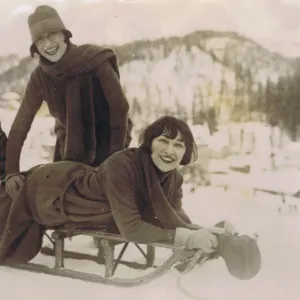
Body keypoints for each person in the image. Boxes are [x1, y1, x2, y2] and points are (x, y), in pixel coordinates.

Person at [0, 116, 260, 279]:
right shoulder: (123, 166)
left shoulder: (174, 178)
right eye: (164, 141)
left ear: (186, 153)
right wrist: (190, 237)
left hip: (75, 189)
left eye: (179, 145)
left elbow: (174, 219)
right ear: (149, 144)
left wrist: (213, 232)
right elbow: (132, 228)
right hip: (51, 192)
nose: (170, 151)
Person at [4, 5, 132, 199]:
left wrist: (114, 160)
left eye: (52, 34)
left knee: (108, 196)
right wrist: (11, 171)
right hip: (71, 144)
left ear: (64, 35)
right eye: (40, 40)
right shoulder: (40, 77)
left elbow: (119, 109)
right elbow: (21, 124)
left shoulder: (95, 60)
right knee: (62, 199)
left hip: (110, 138)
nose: (48, 44)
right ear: (35, 48)